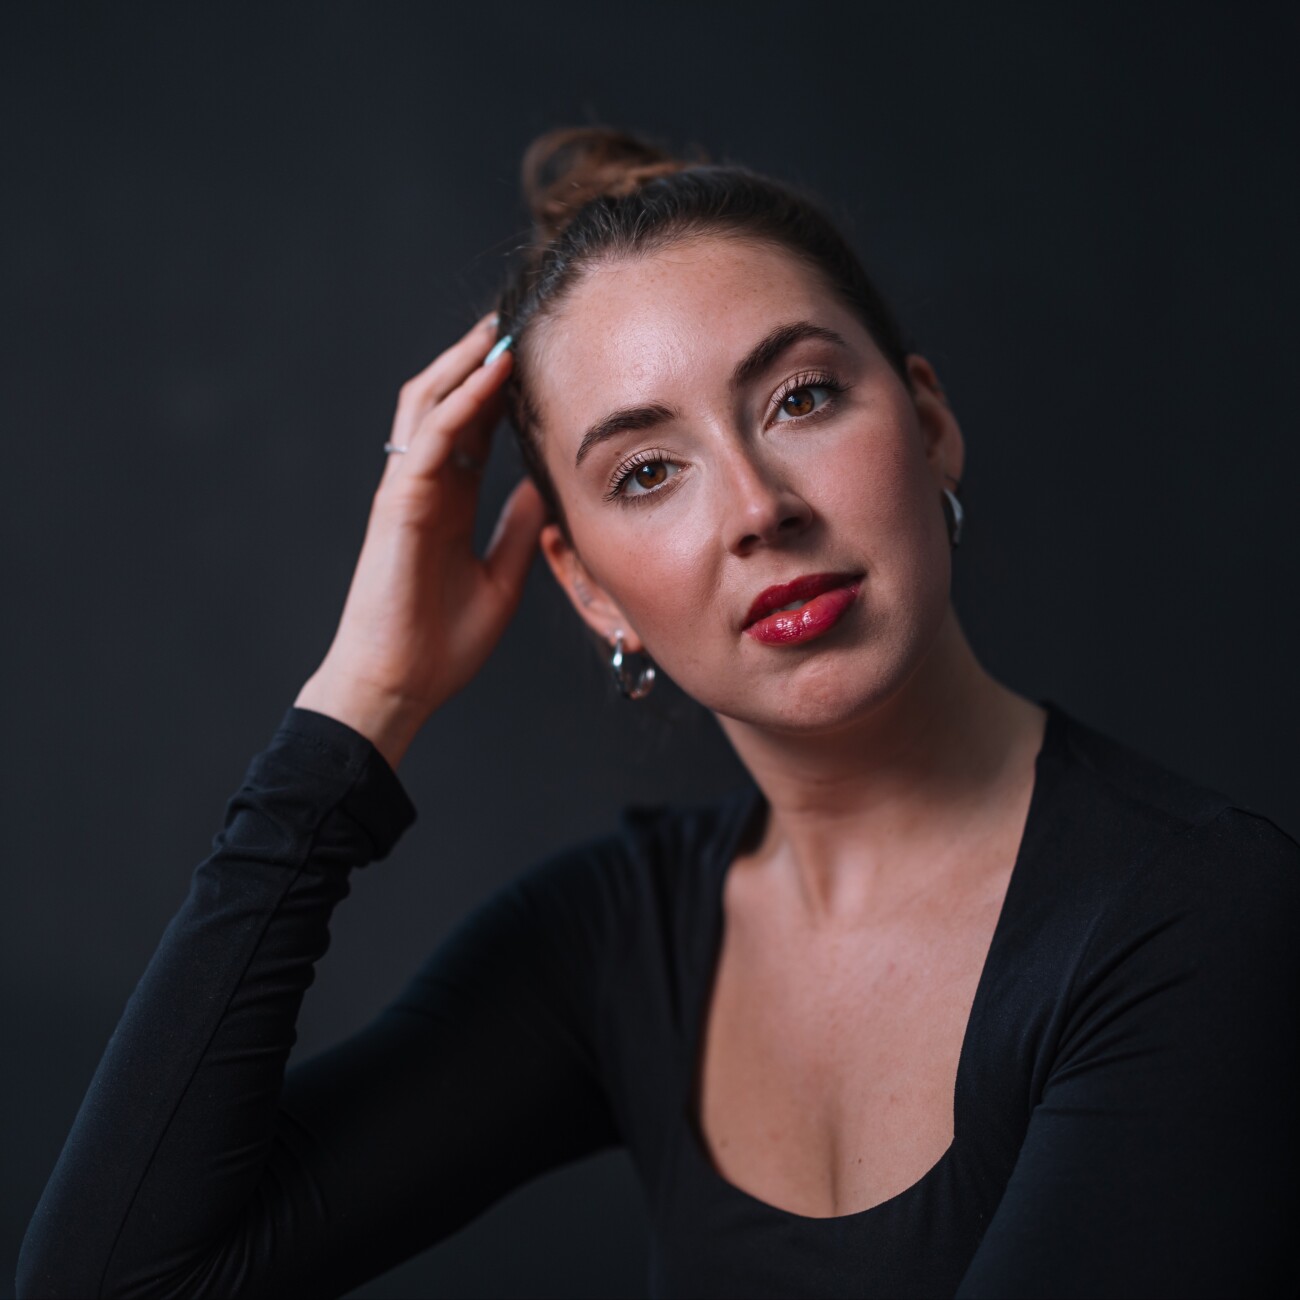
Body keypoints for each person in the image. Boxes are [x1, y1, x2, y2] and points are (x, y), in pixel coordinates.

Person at [17, 127, 1298, 1300]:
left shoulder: (1199, 912)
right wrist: (368, 696)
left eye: (800, 397)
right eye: (644, 471)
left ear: (928, 423)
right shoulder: (614, 941)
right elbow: (112, 1279)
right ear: (587, 588)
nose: (756, 506)